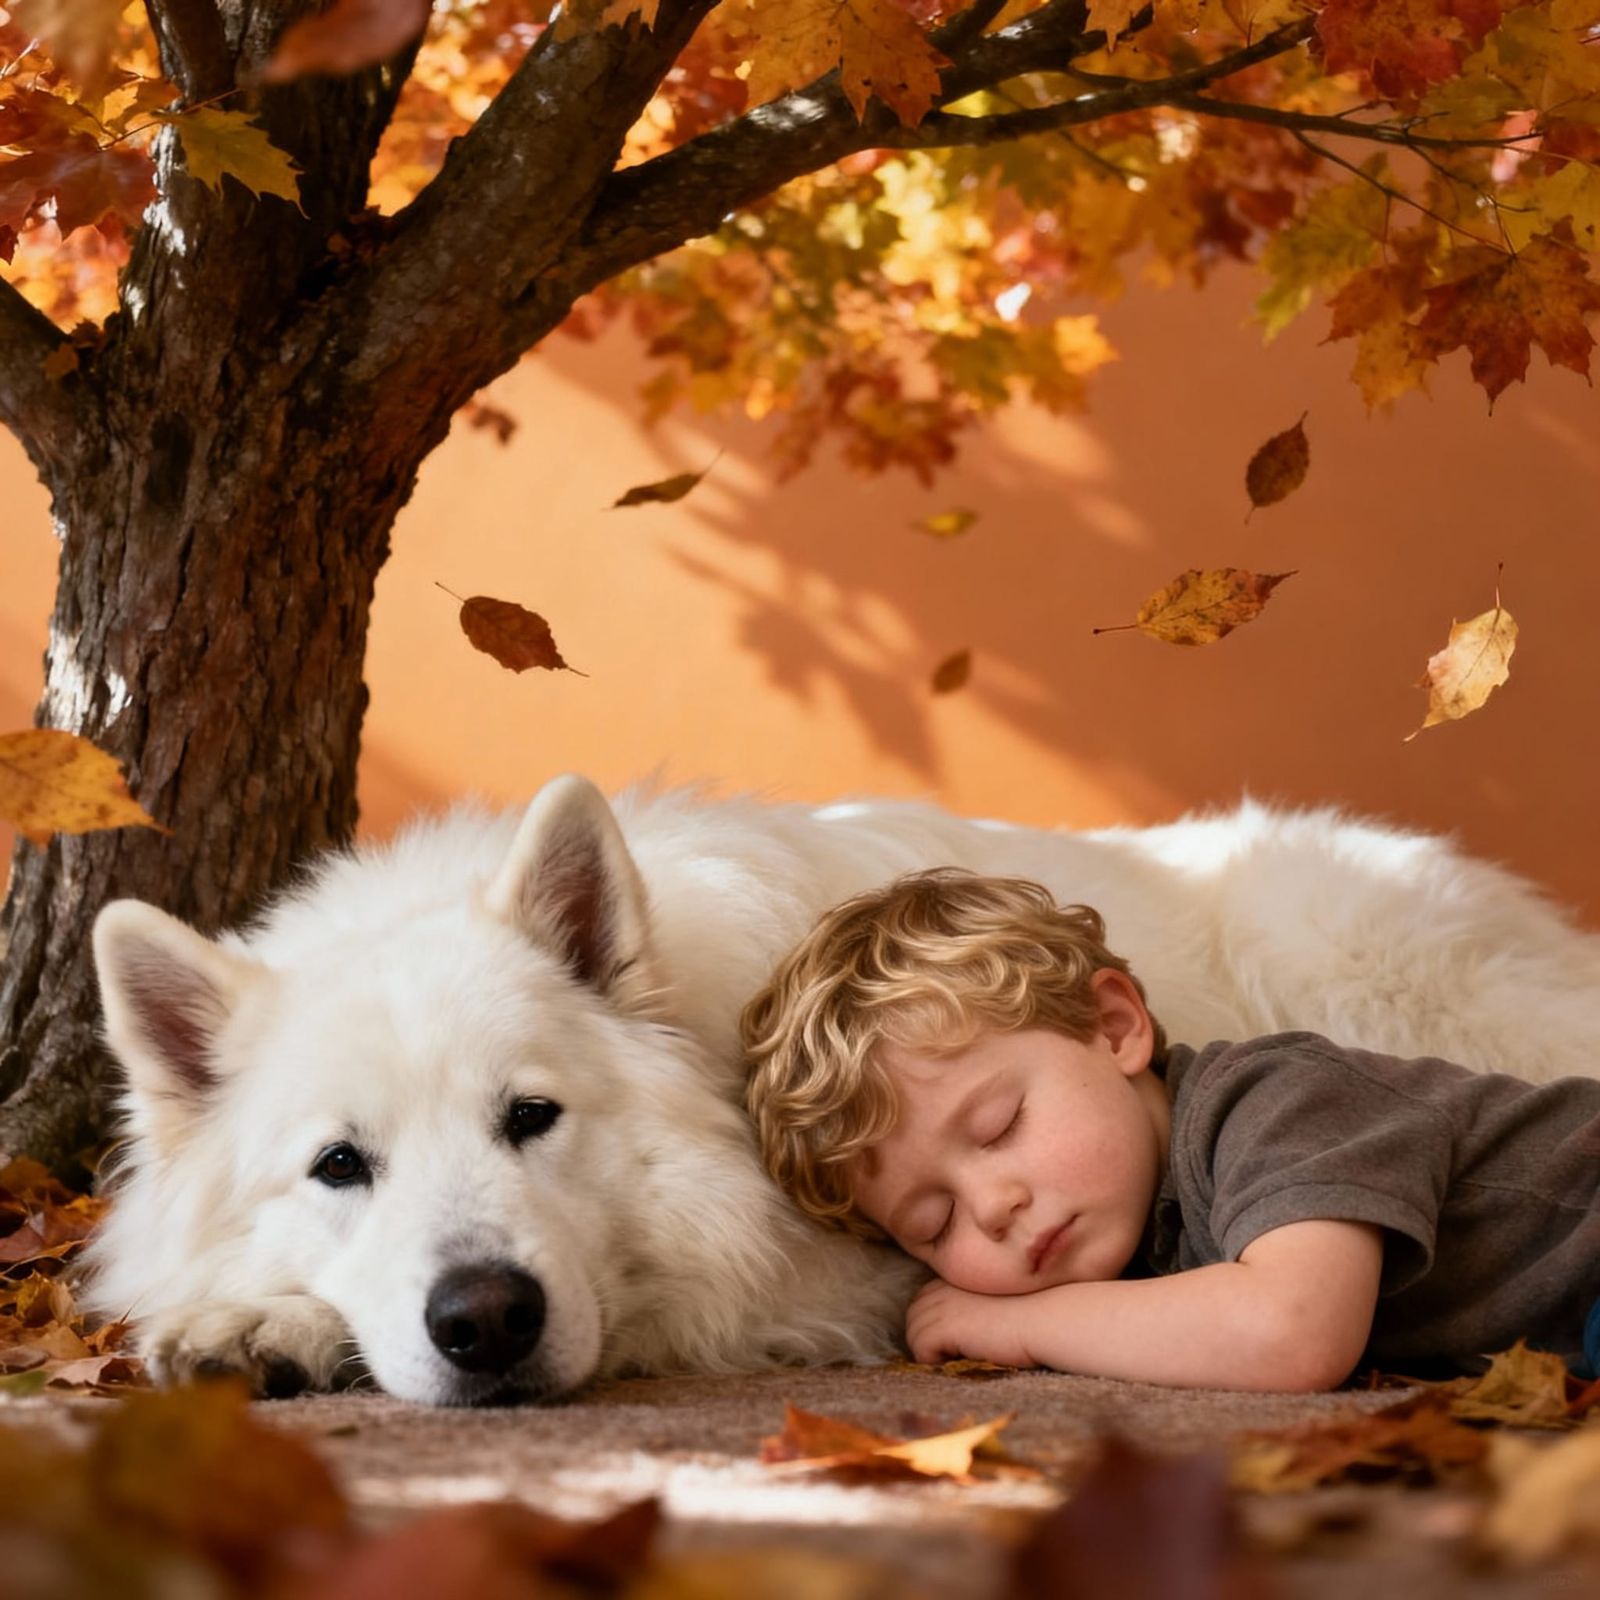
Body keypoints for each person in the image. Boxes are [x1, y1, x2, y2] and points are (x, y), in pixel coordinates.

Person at [741, 868, 1600, 1391]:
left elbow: (1290, 1333)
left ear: (1114, 1028)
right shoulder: (1146, 1243)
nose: (993, 1206)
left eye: (999, 1127)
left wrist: (1019, 1327)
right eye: (934, 1224)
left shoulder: (1275, 1100)